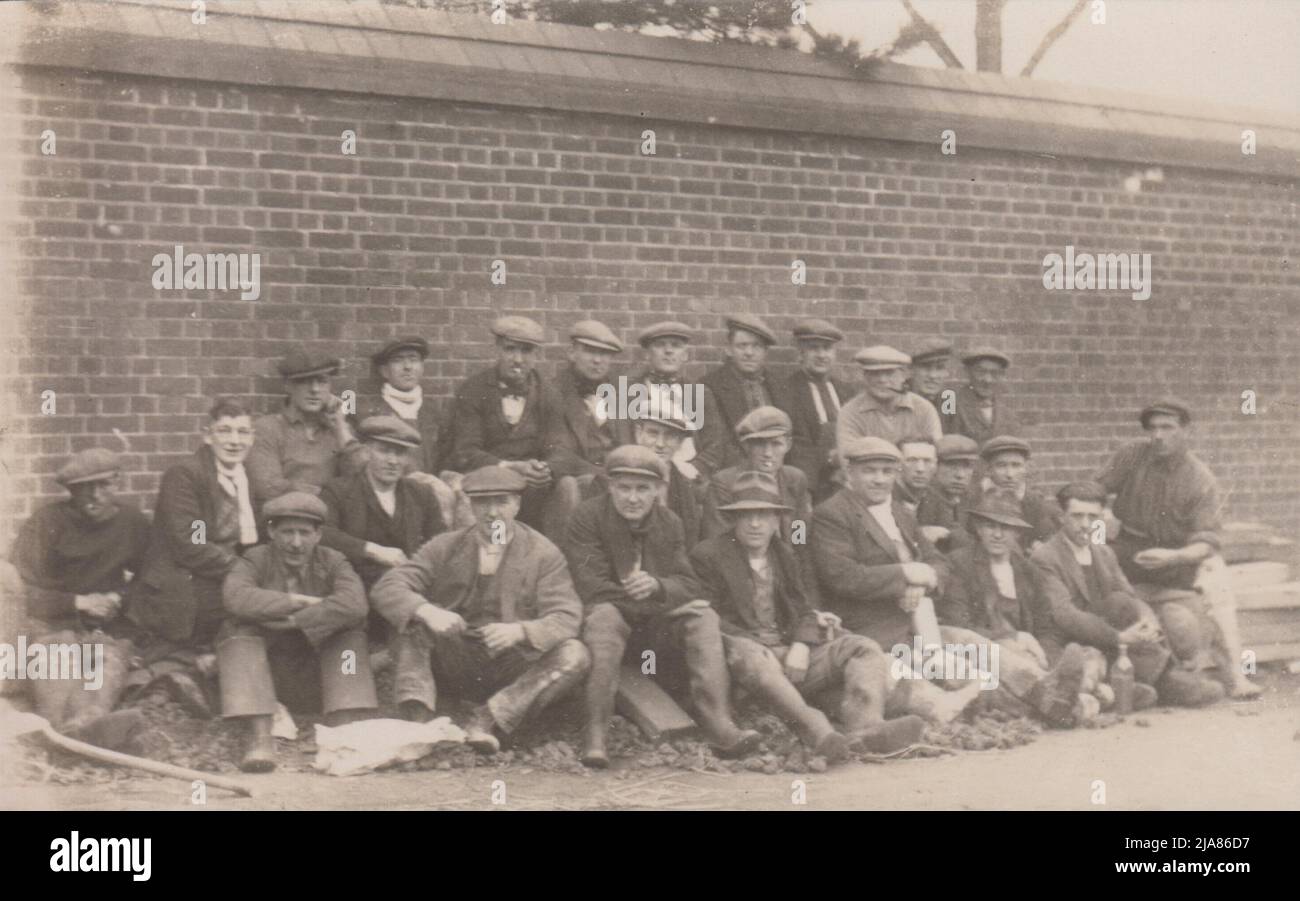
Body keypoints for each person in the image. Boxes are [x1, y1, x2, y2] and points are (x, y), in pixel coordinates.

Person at [690, 471, 925, 757]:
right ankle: (816, 731)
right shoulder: (709, 555)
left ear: (777, 519)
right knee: (753, 655)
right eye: (746, 515)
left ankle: (866, 727)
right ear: (732, 519)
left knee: (862, 647)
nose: (755, 524)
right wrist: (761, 647)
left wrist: (801, 644)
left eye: (763, 515)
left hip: (787, 654)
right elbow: (709, 618)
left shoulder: (784, 555)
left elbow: (802, 608)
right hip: (743, 661)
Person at [564, 445, 761, 768]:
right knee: (604, 617)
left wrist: (658, 585)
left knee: (703, 616)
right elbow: (593, 588)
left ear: (658, 490)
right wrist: (659, 599)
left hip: (652, 635)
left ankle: (718, 722)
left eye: (643, 489)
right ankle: (596, 732)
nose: (633, 498)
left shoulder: (669, 522)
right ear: (610, 486)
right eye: (624, 488)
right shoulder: (587, 517)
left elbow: (689, 583)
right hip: (611, 628)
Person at [370, 466, 589, 753]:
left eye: (502, 502)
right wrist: (428, 611)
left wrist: (521, 631)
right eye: (483, 502)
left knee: (576, 654)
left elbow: (567, 617)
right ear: (470, 506)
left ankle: (488, 720)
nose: (492, 513)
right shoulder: (445, 546)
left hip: (513, 663)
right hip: (457, 657)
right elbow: (388, 587)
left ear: (517, 505)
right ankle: (418, 719)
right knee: (410, 620)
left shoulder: (543, 554)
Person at [809, 437, 982, 724]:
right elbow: (843, 577)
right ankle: (947, 707)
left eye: (887, 472)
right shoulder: (831, 514)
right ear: (849, 473)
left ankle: (1043, 689)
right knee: (918, 681)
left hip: (919, 625)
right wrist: (905, 575)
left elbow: (938, 562)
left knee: (972, 644)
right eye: (870, 471)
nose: (879, 479)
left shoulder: (899, 512)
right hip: (871, 630)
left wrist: (922, 581)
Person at [1095, 398, 1260, 698]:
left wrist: (1174, 556)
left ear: (1186, 430)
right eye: (1153, 428)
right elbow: (1093, 493)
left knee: (1216, 575)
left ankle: (1236, 676)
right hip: (1129, 548)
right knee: (1094, 558)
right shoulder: (1131, 455)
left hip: (1176, 556)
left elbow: (1206, 542)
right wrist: (1102, 521)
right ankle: (1105, 674)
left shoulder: (1200, 478)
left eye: (1167, 427)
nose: (1158, 435)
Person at [220, 493, 377, 772]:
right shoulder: (255, 559)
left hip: (320, 673)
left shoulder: (333, 560)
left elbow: (355, 604)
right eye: (286, 532)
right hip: (267, 675)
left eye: (304, 533)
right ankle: (260, 738)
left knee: (350, 637)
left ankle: (342, 733)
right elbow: (236, 597)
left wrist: (297, 620)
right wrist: (297, 601)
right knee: (238, 633)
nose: (295, 543)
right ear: (271, 532)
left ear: (318, 534)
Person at [1031, 481, 1224, 707]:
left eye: (1092, 517)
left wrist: (1147, 621)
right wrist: (1120, 637)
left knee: (1123, 603)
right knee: (1116, 607)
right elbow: (1065, 615)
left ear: (1101, 518)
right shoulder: (1045, 557)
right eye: (1077, 516)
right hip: (1065, 640)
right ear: (1062, 517)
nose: (1085, 525)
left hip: (1103, 635)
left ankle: (1143, 682)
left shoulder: (1103, 553)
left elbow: (1128, 594)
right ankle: (1154, 685)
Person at [129, 399, 264, 718]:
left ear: (252, 438)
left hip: (221, 572)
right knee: (248, 615)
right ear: (207, 435)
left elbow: (256, 536)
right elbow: (194, 542)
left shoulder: (247, 480)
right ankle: (188, 669)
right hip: (183, 577)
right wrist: (245, 571)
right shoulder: (187, 475)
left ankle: (207, 671)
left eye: (243, 432)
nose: (234, 440)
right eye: (225, 431)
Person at [8, 448, 151, 750]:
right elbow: (22, 590)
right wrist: (79, 602)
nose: (94, 496)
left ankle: (87, 726)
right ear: (71, 491)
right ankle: (69, 733)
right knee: (56, 654)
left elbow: (150, 579)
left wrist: (118, 597)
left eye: (104, 486)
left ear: (117, 483)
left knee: (106, 661)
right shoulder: (47, 521)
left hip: (106, 629)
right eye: (84, 488)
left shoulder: (133, 523)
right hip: (53, 624)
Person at [939, 497, 1090, 726]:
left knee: (1086, 657)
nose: (997, 535)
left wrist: (1044, 655)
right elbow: (958, 625)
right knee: (1010, 658)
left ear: (1017, 533)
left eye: (1005, 528)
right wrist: (1012, 637)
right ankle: (1078, 703)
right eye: (990, 526)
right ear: (978, 529)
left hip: (1028, 658)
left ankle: (1063, 698)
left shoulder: (1028, 571)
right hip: (982, 654)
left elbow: (1046, 627)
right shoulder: (959, 564)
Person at [444, 316, 560, 529]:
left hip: (532, 487)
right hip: (486, 479)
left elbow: (557, 446)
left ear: (536, 355)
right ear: (496, 349)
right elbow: (466, 451)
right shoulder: (473, 390)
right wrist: (509, 466)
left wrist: (545, 469)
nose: (517, 359)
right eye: (510, 349)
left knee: (564, 488)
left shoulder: (549, 393)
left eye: (526, 351)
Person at [318, 416, 444, 592]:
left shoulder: (422, 493)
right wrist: (373, 550)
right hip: (355, 586)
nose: (393, 461)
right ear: (367, 452)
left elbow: (441, 542)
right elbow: (323, 533)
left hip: (409, 585)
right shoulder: (339, 491)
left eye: (400, 453)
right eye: (384, 451)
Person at [359, 336, 463, 530]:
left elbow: (447, 455)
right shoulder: (368, 410)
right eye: (398, 361)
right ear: (384, 371)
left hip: (434, 488)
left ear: (422, 367)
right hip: (390, 486)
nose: (407, 367)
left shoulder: (434, 411)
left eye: (413, 359)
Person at [612, 320, 727, 481]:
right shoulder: (628, 393)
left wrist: (693, 469)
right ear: (647, 354)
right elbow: (624, 442)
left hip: (689, 476)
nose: (668, 351)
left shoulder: (699, 393)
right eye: (660, 345)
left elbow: (714, 445)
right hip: (642, 474)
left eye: (676, 345)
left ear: (685, 355)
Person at [246, 349, 364, 505]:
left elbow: (362, 481)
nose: (315, 389)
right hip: (285, 517)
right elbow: (268, 486)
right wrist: (330, 495)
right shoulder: (266, 428)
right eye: (305, 381)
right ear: (288, 386)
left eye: (322, 381)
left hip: (332, 521)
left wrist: (341, 429)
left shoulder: (339, 432)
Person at [543, 319, 625, 537]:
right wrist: (603, 475)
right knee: (572, 486)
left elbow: (629, 443)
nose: (598, 360)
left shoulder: (621, 393)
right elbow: (558, 454)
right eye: (590, 351)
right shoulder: (552, 392)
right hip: (577, 478)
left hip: (618, 476)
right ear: (572, 353)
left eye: (605, 354)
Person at [701, 406, 813, 542]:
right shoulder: (724, 483)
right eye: (760, 444)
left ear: (788, 445)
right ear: (747, 446)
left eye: (776, 444)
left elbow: (799, 533)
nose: (768, 453)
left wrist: (794, 559)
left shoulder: (795, 479)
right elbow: (718, 541)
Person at [772, 318, 854, 502]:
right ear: (801, 353)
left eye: (827, 348)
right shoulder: (787, 391)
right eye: (814, 348)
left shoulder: (847, 391)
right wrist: (828, 462)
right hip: (810, 485)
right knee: (800, 529)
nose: (821, 355)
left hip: (848, 481)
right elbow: (797, 445)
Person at [701, 314, 778, 472]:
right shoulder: (710, 386)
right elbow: (718, 442)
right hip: (733, 473)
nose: (749, 353)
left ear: (765, 351)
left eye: (756, 346)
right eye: (742, 346)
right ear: (729, 349)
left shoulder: (779, 387)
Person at [836, 345, 941, 450]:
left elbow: (935, 455)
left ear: (903, 376)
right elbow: (848, 460)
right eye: (875, 373)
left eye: (890, 373)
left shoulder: (924, 409)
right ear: (865, 377)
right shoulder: (850, 413)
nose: (882, 379)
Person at [970, 436, 1061, 551]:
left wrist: (1041, 546)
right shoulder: (974, 499)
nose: (1009, 474)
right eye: (1001, 466)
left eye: (1016, 465)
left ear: (1025, 469)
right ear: (989, 470)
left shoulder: (1036, 503)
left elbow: (1048, 536)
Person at [631, 412, 704, 549]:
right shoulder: (612, 481)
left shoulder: (688, 488)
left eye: (670, 436)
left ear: (680, 442)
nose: (660, 444)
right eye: (653, 433)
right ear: (638, 433)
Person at [941, 347, 1020, 447]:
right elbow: (943, 441)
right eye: (980, 372)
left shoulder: (1007, 413)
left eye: (994, 374)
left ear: (1002, 376)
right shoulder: (949, 399)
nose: (987, 380)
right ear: (967, 372)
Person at [915, 434, 979, 553]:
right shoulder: (922, 499)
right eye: (951, 465)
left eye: (967, 467)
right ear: (935, 466)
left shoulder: (973, 500)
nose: (960, 475)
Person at [908, 337, 954, 416]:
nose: (933, 375)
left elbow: (950, 426)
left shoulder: (948, 399)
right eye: (926, 367)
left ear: (947, 372)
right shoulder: (899, 400)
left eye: (940, 368)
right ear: (911, 370)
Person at [893, 435, 938, 515]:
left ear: (935, 465)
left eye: (927, 461)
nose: (920, 469)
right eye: (912, 460)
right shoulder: (886, 500)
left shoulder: (936, 500)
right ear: (898, 464)